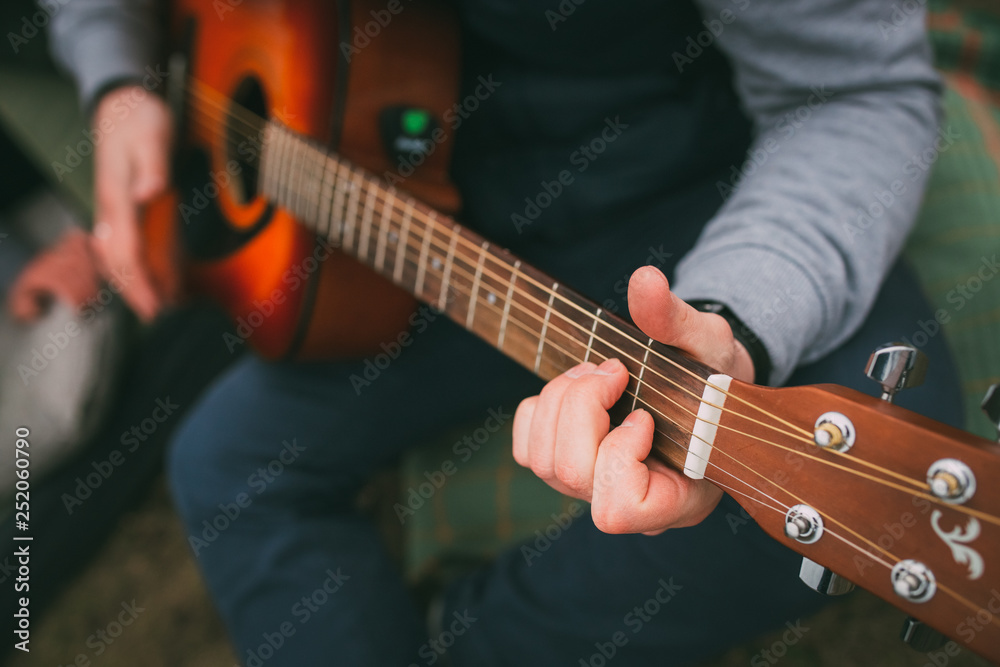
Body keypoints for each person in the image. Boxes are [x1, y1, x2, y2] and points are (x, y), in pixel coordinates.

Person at [48, 0, 963, 664]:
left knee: (886, 458)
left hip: (690, 205)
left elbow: (852, 91)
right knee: (223, 460)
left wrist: (733, 318)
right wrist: (119, 80)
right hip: (405, 224)